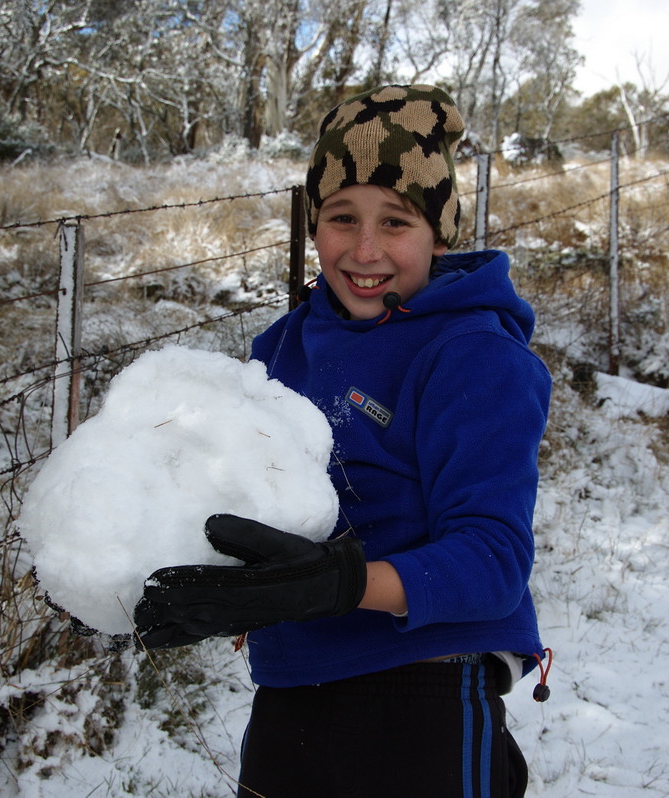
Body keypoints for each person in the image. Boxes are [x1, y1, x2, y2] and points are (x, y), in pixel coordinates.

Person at [134, 84, 552, 798]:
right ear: (312, 224)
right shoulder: (282, 347)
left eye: (396, 221)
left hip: (426, 697)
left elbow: (493, 561)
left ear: (438, 233)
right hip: (291, 694)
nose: (364, 248)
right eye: (340, 217)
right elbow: (246, 492)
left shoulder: (474, 355)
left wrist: (341, 581)